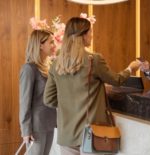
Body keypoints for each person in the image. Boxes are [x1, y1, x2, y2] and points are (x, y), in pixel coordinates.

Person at [43, 17, 140, 155]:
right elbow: (116, 80)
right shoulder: (93, 60)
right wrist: (130, 68)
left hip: (66, 135)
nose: (92, 36)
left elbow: (48, 99)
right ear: (83, 35)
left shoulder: (56, 63)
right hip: (91, 134)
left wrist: (69, 101)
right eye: (90, 32)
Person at [19, 29, 57, 155]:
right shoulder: (29, 69)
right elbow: (24, 102)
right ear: (40, 45)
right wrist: (26, 131)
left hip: (50, 123)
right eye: (51, 42)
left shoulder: (48, 68)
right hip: (36, 127)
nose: (54, 45)